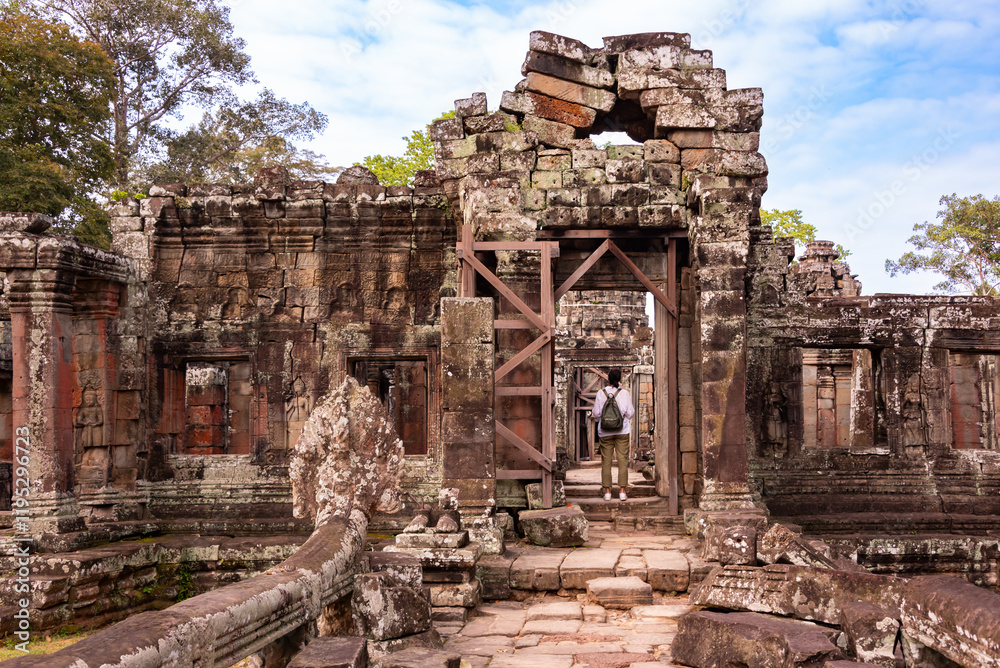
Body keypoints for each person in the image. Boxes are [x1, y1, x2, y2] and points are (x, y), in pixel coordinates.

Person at [591, 368, 635, 501]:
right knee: (622, 460)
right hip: (622, 431)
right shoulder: (624, 393)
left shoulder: (600, 393)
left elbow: (597, 413)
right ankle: (622, 491)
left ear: (608, 379)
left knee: (606, 461)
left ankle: (607, 492)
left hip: (605, 432)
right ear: (619, 379)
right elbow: (630, 413)